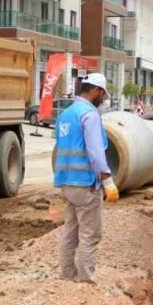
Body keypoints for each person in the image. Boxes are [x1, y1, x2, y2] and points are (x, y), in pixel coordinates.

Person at [54, 73, 119, 283]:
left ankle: (66, 276)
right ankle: (86, 283)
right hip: (85, 182)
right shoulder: (89, 114)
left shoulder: (66, 113)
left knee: (70, 233)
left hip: (66, 181)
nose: (102, 99)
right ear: (97, 91)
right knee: (90, 235)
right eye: (102, 94)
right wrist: (107, 180)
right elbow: (95, 151)